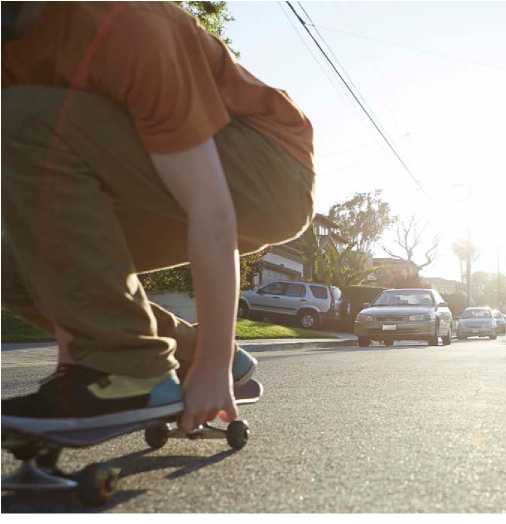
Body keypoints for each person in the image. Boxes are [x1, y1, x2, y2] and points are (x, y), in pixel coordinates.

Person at [1, 2, 314, 433]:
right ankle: (172, 350)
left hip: (269, 170)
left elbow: (211, 206)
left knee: (17, 119)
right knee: (12, 265)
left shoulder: (127, 22)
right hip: (150, 172)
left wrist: (214, 365)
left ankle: (131, 367)